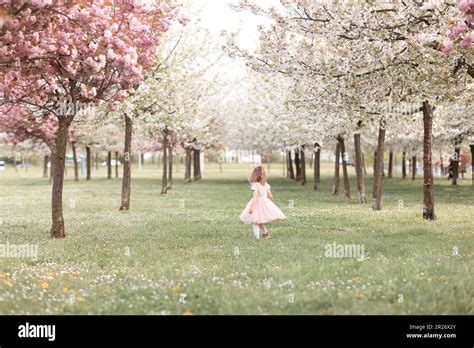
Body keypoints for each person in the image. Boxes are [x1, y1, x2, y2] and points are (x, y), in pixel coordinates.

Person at [240, 165, 286, 239]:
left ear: (254, 175)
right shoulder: (266, 185)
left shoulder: (255, 185)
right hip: (264, 202)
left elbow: (255, 196)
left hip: (257, 203)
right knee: (258, 219)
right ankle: (266, 234)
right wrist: (267, 203)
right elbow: (271, 196)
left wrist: (251, 206)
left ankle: (257, 238)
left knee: (255, 220)